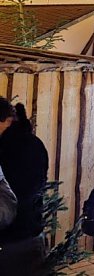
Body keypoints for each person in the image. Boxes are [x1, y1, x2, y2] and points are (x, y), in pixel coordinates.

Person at [0, 99, 49, 275]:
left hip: (13, 240)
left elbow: (20, 193)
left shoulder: (9, 148)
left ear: (5, 120)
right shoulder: (34, 144)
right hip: (31, 234)